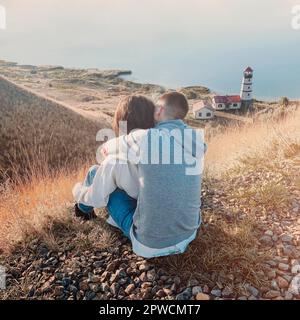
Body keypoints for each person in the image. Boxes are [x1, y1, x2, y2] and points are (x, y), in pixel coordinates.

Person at [74, 92, 206, 258]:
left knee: (96, 171)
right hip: (190, 232)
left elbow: (98, 194)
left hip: (150, 245)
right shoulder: (193, 140)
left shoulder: (142, 140)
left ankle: (81, 208)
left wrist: (77, 190)